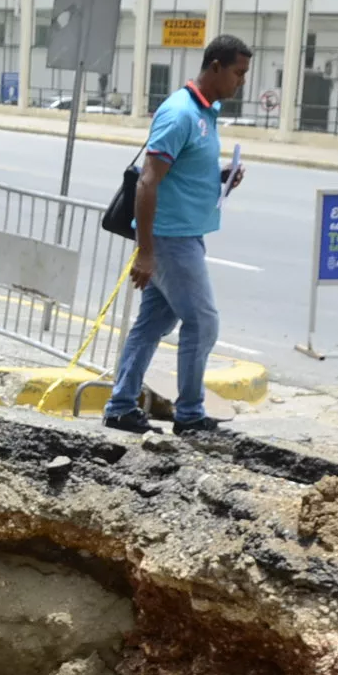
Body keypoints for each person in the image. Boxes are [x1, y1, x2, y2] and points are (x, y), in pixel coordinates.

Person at [103, 35, 253, 436]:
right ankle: (189, 416)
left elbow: (181, 174)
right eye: (238, 73)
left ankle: (120, 406)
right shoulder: (180, 114)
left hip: (186, 234)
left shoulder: (207, 113)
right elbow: (147, 183)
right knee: (203, 323)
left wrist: (222, 178)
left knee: (151, 324)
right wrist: (146, 253)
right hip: (170, 240)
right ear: (216, 67)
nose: (241, 82)